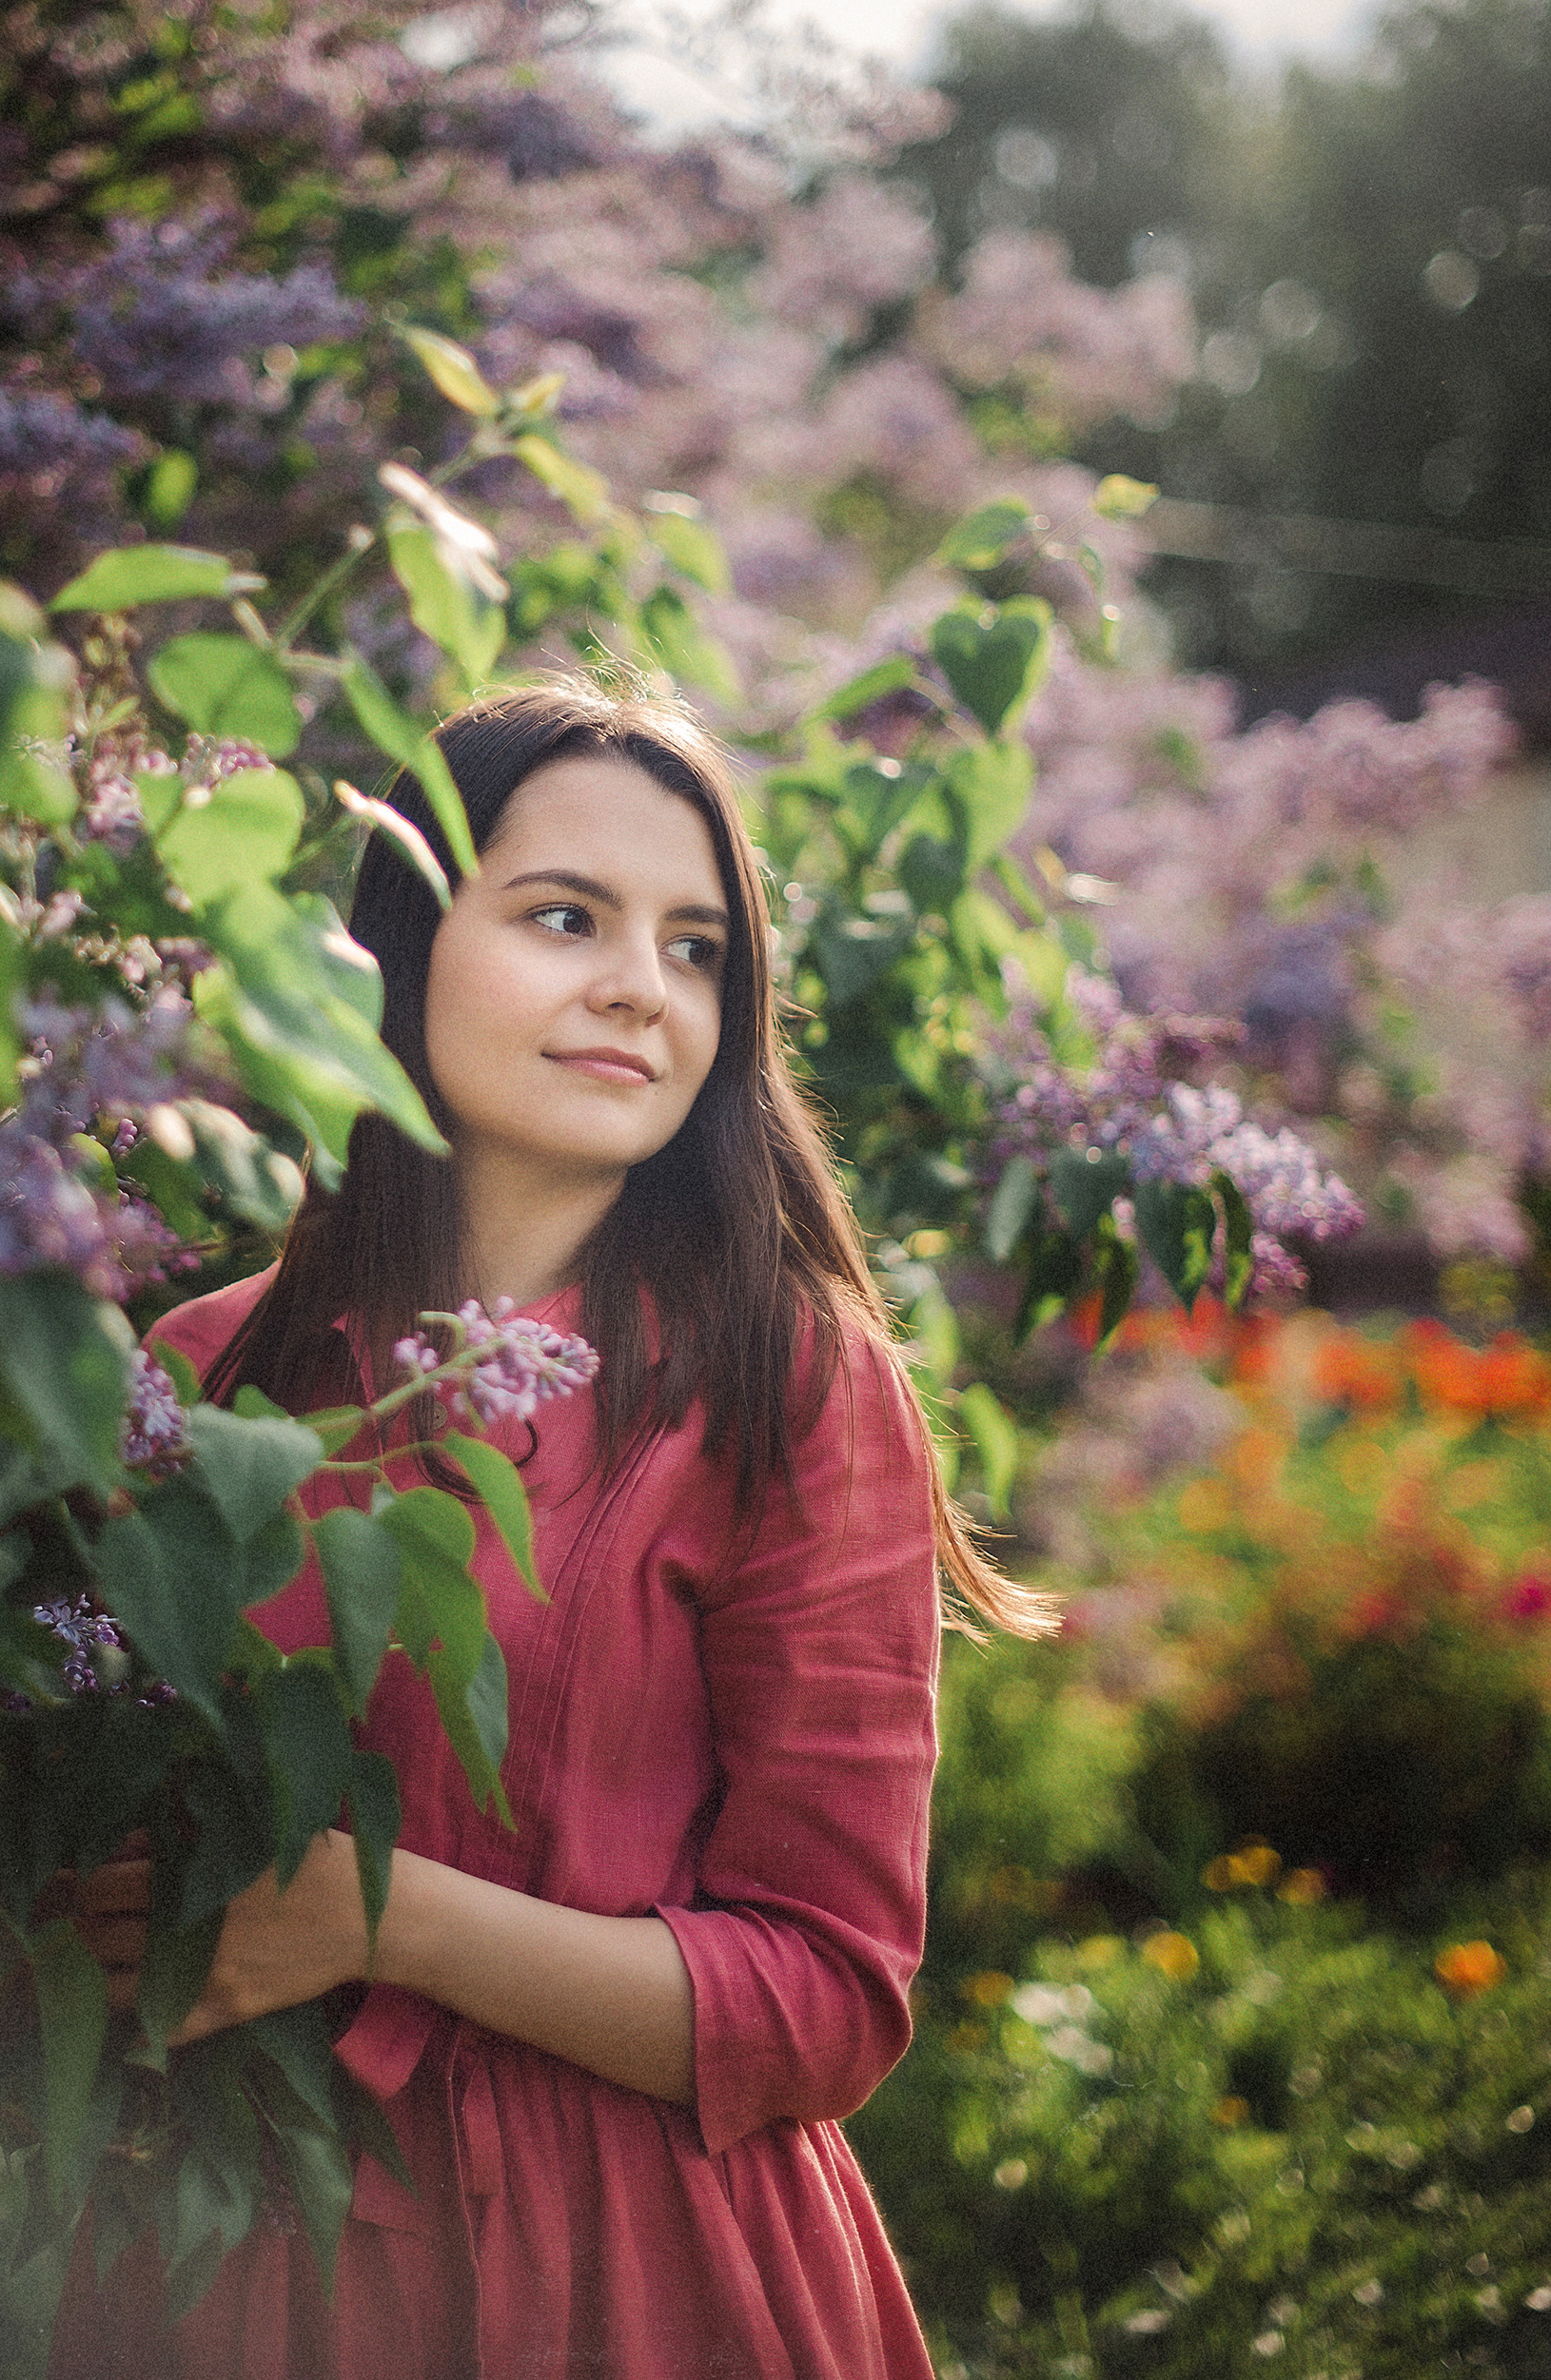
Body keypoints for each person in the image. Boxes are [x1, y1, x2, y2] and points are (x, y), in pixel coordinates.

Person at [52, 681, 1051, 2380]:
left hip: (634, 2279)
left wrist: (383, 1916)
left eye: (696, 949)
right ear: (399, 942)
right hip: (232, 2251)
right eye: (566, 917)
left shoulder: (788, 1386)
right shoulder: (203, 1371)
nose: (638, 990)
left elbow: (831, 1998)